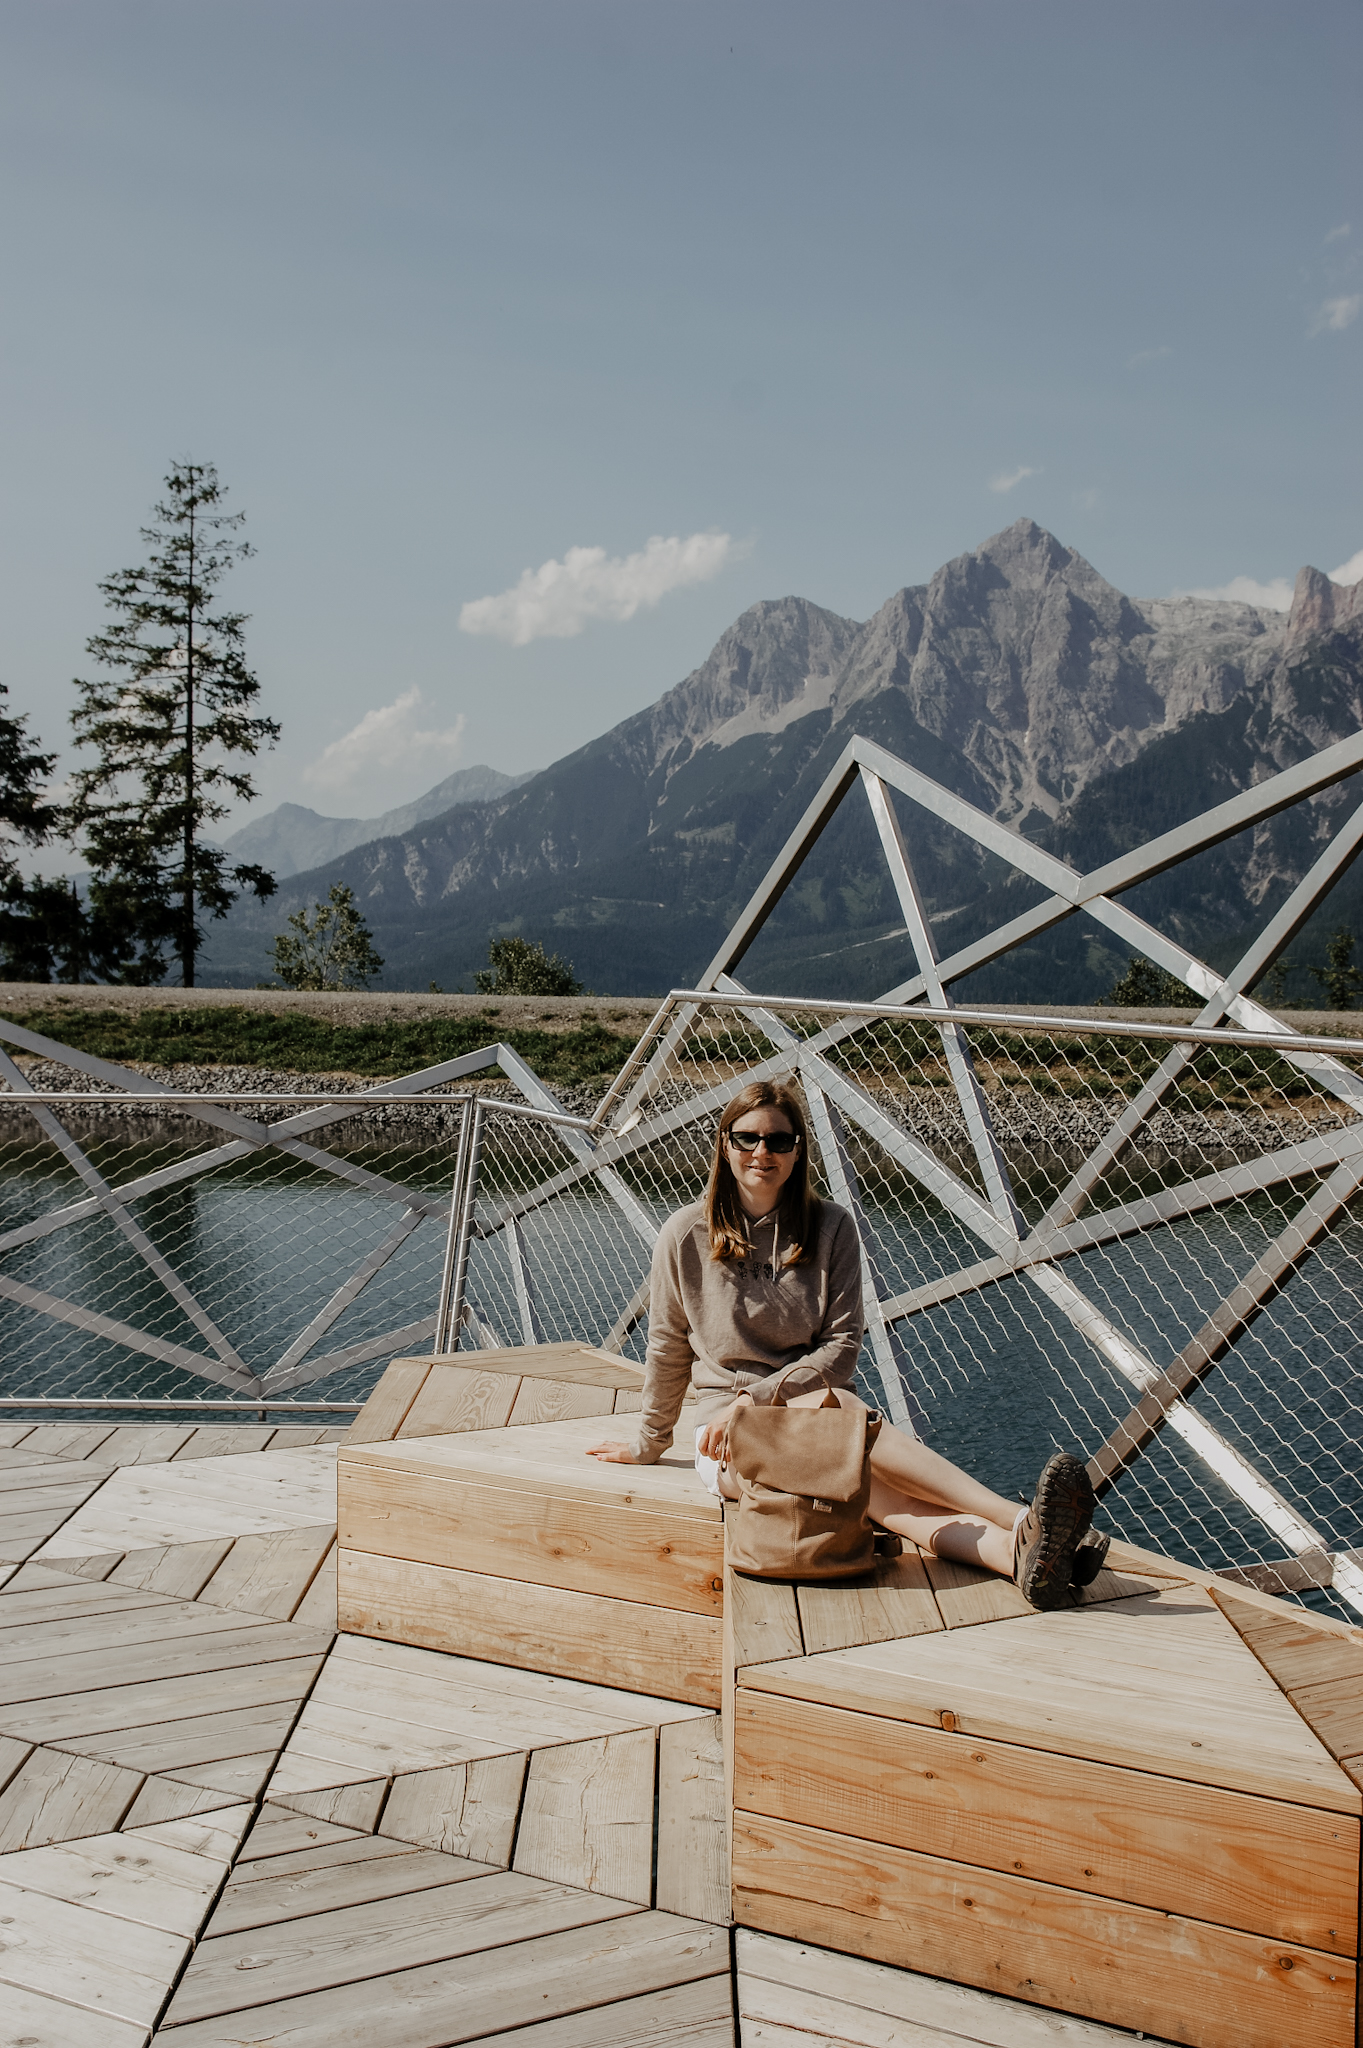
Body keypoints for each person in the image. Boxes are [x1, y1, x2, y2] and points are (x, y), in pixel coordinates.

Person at [588, 1077, 1106, 1609]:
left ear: (798, 1151)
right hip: (728, 1432)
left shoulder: (832, 1227)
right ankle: (1020, 1519)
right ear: (725, 1143)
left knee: (881, 1498)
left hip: (822, 1420)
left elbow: (840, 1350)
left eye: (779, 1141)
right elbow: (667, 1346)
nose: (761, 1152)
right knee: (844, 1425)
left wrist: (763, 1395)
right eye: (747, 1138)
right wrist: (649, 1442)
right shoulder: (683, 1234)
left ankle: (1019, 1556)